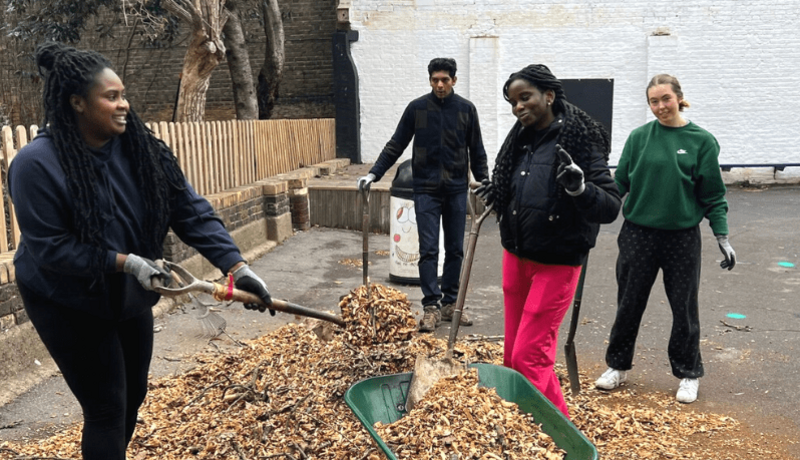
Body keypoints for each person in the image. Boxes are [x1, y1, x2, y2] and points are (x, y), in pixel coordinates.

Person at [7, 42, 274, 460]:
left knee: (134, 393)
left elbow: (189, 210)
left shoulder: (141, 149)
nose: (123, 105)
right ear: (77, 103)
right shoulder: (36, 165)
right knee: (106, 407)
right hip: (65, 297)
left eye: (123, 95)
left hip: (127, 291)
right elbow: (51, 250)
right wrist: (125, 262)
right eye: (110, 97)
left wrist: (237, 267)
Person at [474, 64, 620, 418]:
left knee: (530, 356)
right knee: (512, 356)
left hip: (557, 262)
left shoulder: (579, 139)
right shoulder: (520, 142)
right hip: (517, 256)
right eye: (512, 102)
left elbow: (611, 205)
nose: (518, 107)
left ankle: (560, 435)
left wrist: (580, 188)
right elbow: (520, 188)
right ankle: (526, 422)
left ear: (549, 96)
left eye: (525, 98)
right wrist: (498, 190)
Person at [594, 74, 735, 404]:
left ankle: (688, 372)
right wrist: (591, 208)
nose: (660, 107)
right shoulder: (639, 138)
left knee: (684, 308)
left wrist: (722, 235)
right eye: (654, 102)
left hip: (682, 237)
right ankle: (617, 366)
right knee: (629, 303)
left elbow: (713, 194)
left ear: (679, 98)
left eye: (665, 99)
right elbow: (619, 185)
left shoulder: (702, 140)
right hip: (638, 234)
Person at [357, 57, 489, 332]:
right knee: (428, 249)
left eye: (444, 80)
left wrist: (485, 182)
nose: (439, 85)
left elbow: (477, 150)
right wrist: (374, 174)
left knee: (455, 250)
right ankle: (431, 306)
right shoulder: (417, 108)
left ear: (454, 80)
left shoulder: (466, 109)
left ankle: (451, 305)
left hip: (455, 188)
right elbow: (396, 143)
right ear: (430, 80)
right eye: (434, 80)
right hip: (426, 189)